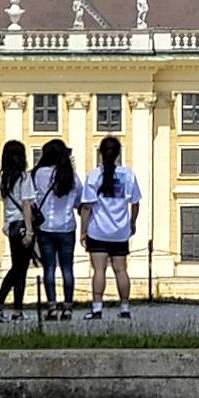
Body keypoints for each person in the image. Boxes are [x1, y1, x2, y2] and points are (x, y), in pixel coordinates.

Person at [77, 133, 138, 320]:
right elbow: (135, 203)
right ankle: (125, 307)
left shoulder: (94, 175)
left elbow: (87, 207)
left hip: (98, 230)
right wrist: (132, 222)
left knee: (99, 270)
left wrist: (83, 231)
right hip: (120, 231)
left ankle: (97, 308)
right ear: (118, 153)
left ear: (101, 153)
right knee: (121, 270)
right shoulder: (128, 175)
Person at [24, 137, 80, 321]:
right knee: (67, 268)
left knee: (49, 268)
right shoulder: (71, 175)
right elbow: (79, 200)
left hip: (45, 227)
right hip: (67, 227)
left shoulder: (37, 174)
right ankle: (68, 308)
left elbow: (30, 199)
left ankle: (52, 307)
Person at [0, 137, 32, 322]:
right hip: (22, 225)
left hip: (11, 225)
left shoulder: (2, 177)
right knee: (19, 269)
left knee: (18, 268)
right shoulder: (24, 177)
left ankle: (15, 309)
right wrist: (29, 231)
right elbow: (26, 205)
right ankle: (4, 306)